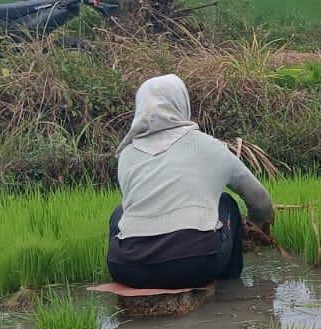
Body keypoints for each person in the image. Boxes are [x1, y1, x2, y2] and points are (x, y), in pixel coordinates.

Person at [107, 74, 275, 289]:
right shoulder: (209, 146)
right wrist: (257, 226)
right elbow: (259, 199)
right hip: (195, 264)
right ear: (181, 103)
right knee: (227, 203)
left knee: (121, 212)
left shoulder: (126, 155)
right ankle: (231, 287)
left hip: (127, 269)